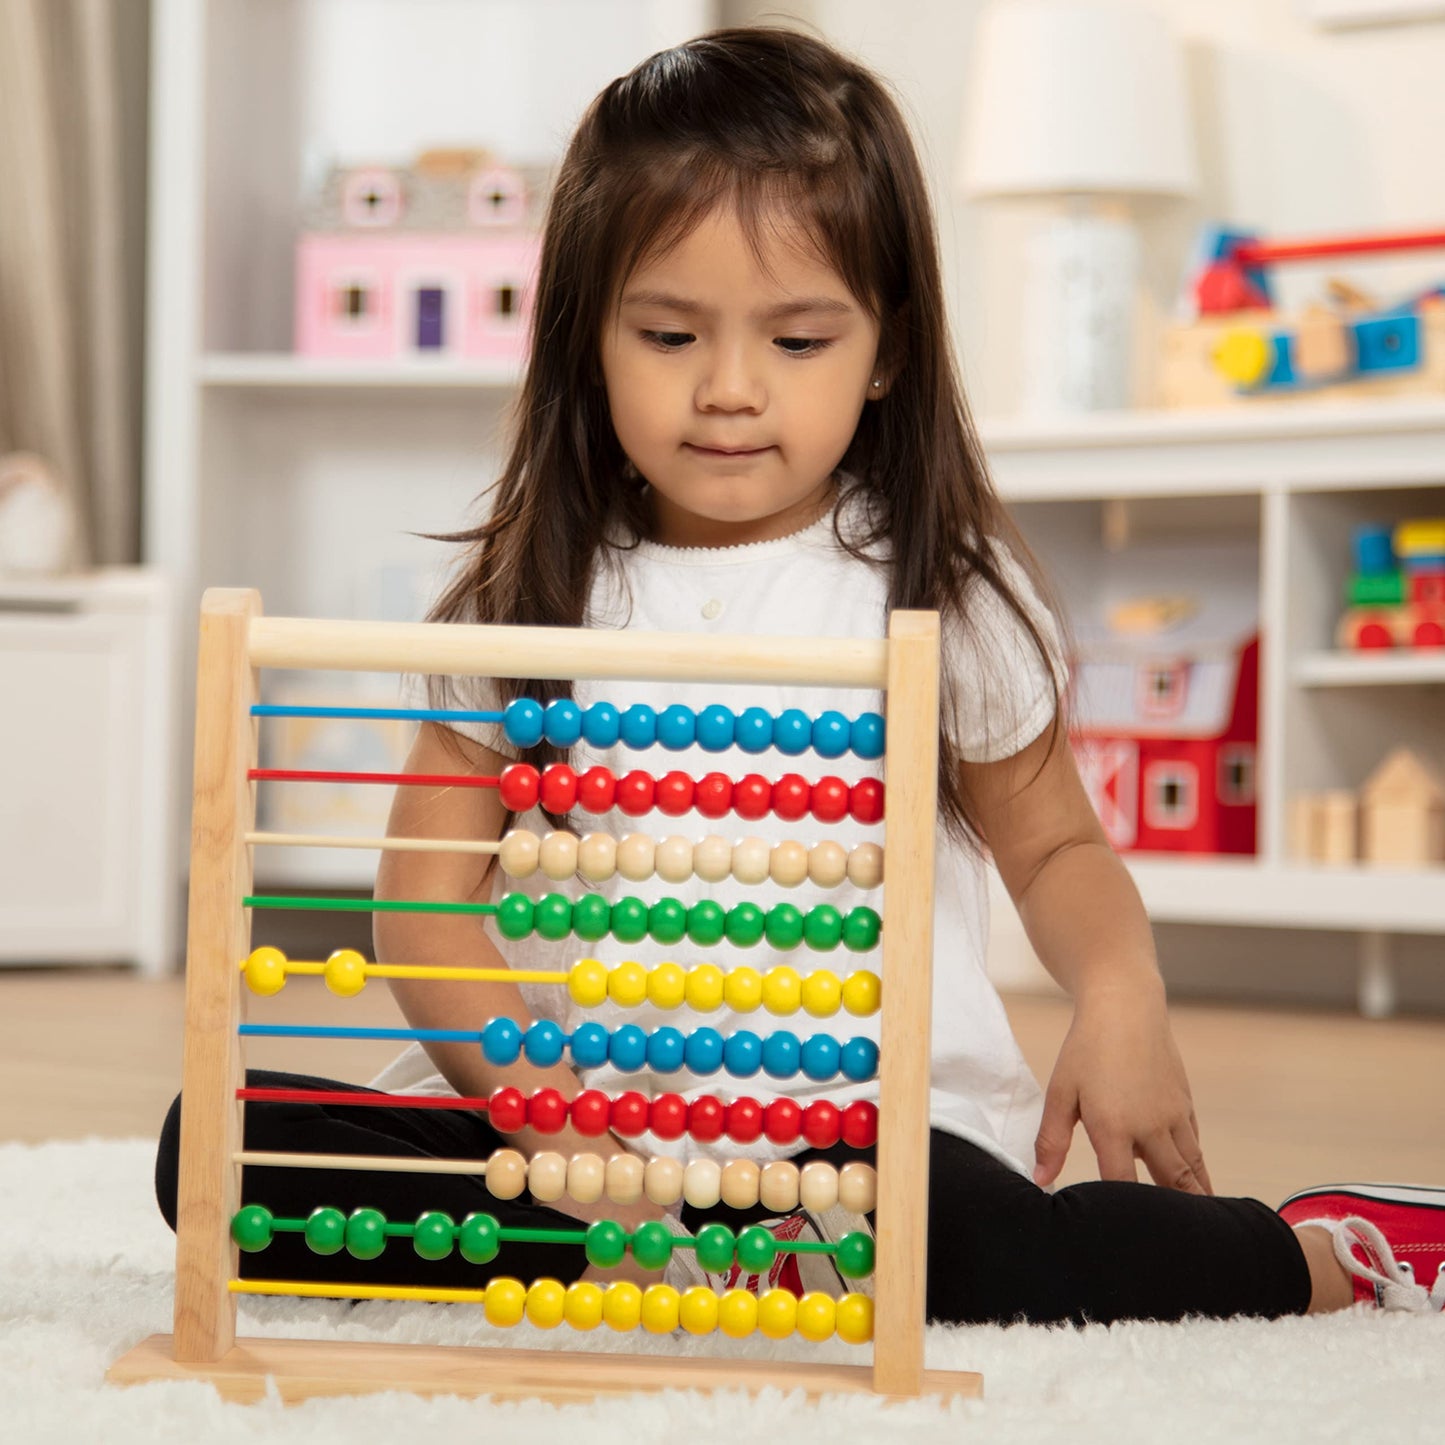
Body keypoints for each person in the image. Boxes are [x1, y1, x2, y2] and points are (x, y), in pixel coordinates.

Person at [156, 26, 1443, 1324]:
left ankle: (1322, 1251)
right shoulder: (526, 603)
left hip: (856, 1152)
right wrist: (557, 1119)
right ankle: (647, 1252)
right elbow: (424, 905)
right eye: (667, 333)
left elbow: (1054, 853)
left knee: (990, 1258)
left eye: (796, 341)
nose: (727, 389)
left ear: (884, 352)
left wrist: (1120, 990)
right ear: (585, 340)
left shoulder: (936, 595)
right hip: (573, 1144)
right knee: (211, 1149)